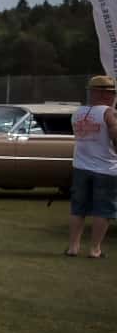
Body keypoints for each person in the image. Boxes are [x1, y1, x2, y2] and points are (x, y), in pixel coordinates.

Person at [66, 74, 117, 259]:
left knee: (78, 208)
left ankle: (73, 247)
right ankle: (95, 249)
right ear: (104, 94)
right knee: (103, 210)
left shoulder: (78, 112)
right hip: (106, 168)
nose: (113, 96)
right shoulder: (108, 113)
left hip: (81, 166)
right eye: (112, 93)